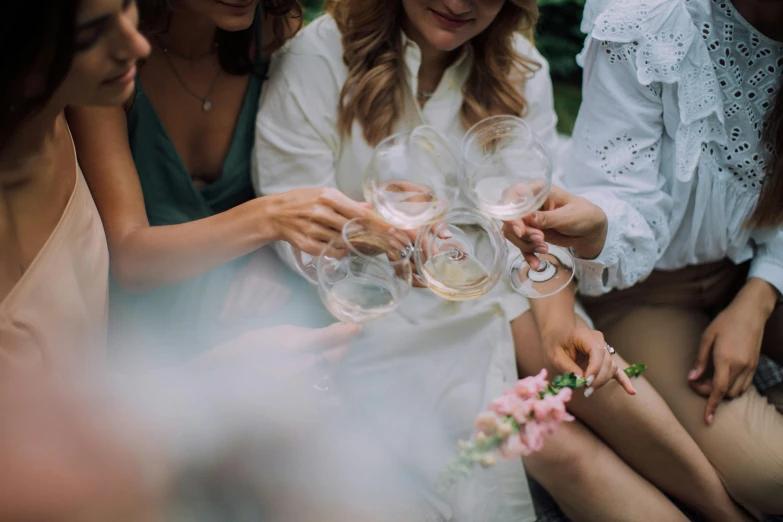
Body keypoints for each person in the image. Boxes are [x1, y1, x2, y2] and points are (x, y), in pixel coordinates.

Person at [253, 1, 748, 520]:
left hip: (494, 277)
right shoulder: (315, 60)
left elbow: (535, 219)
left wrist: (558, 323)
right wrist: (386, 236)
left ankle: (728, 512)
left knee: (581, 366)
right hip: (389, 307)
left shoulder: (518, 64)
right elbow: (297, 228)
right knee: (553, 443)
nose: (459, 3)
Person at [506, 0, 783, 516]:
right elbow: (617, 195)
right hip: (645, 286)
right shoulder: (650, 19)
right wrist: (598, 228)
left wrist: (762, 292)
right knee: (771, 478)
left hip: (756, 263)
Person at [67, 0, 368, 364]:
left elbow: (287, 166)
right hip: (151, 341)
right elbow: (131, 259)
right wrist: (269, 222)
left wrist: (269, 251)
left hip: (261, 310)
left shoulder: (274, 28)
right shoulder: (109, 63)